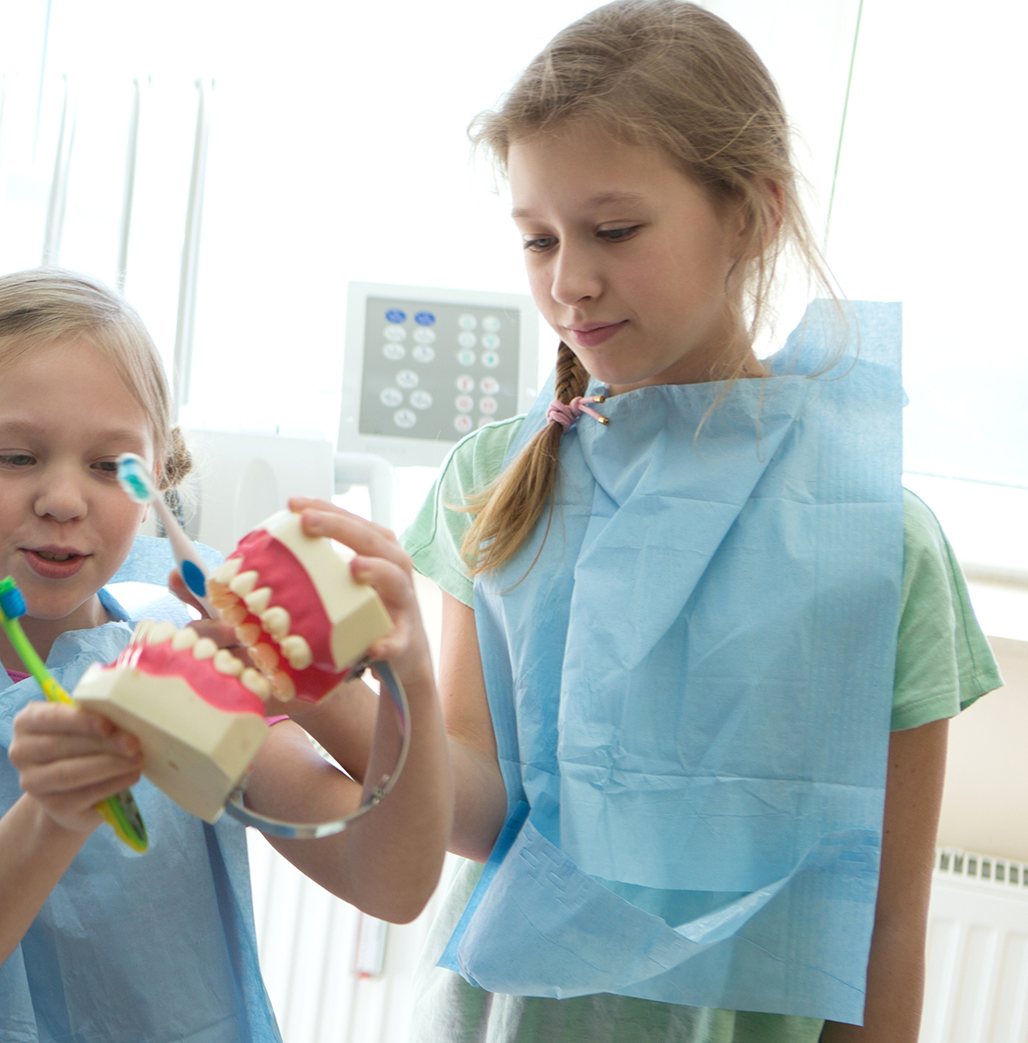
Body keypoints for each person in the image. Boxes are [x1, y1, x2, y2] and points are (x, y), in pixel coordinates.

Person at [307, 3, 1003, 1040]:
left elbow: (888, 923)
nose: (569, 281)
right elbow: (476, 811)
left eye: (615, 231)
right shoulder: (495, 484)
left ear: (752, 216)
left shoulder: (876, 543)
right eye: (538, 239)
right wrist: (311, 683)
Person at [0, 269, 452, 1040]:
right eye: (17, 456)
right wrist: (57, 810)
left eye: (107, 466)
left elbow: (388, 879)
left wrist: (406, 681)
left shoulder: (188, 661)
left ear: (155, 475)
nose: (64, 498)